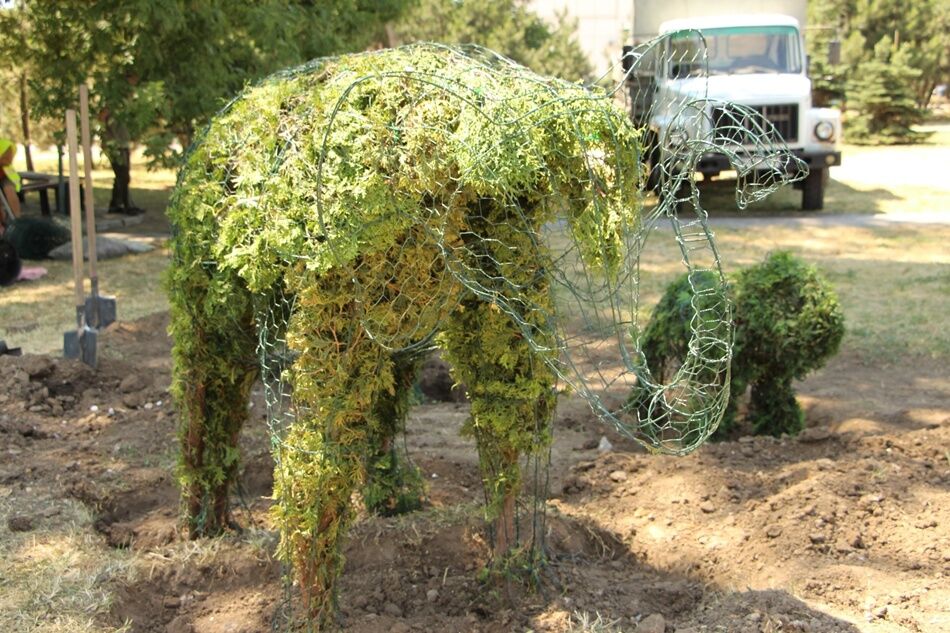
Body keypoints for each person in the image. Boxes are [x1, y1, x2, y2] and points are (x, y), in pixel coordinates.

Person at [0, 138, 22, 237]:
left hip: (6, 177)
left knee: (9, 190)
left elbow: (6, 161)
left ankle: (17, 220)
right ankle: (2, 223)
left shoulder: (6, 144)